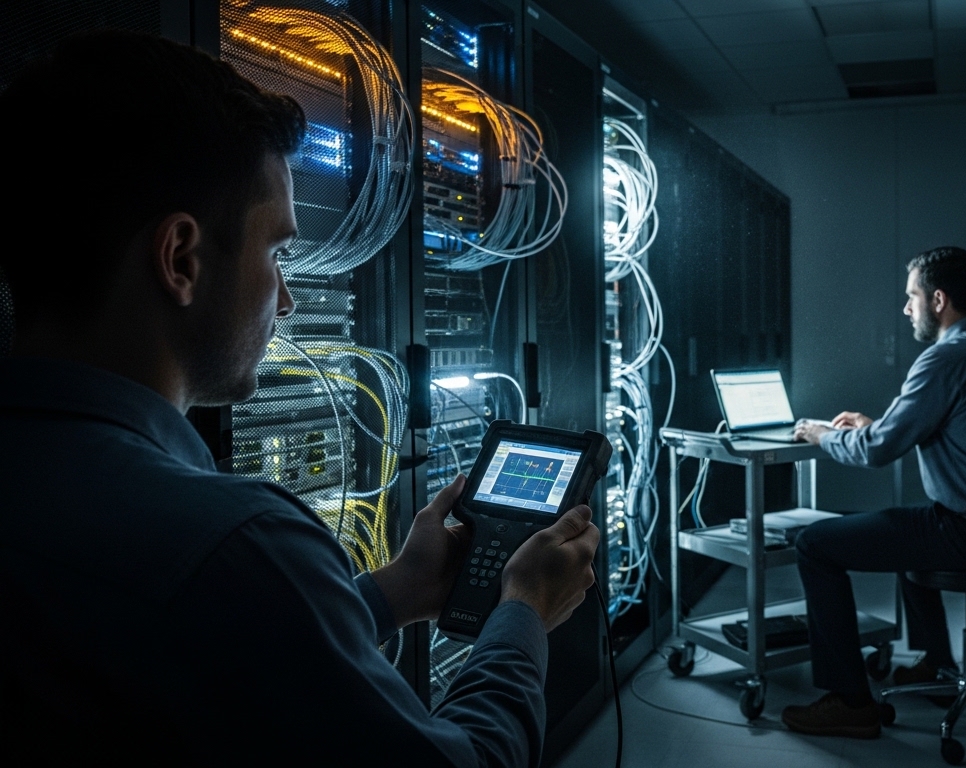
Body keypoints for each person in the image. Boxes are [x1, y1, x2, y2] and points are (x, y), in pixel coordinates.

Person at [0, 31, 597, 765]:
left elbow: (216, 650)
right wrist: (523, 614)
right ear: (181, 259)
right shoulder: (238, 544)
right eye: (277, 251)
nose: (285, 300)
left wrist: (396, 592)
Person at [782, 246, 966, 739]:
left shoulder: (944, 359)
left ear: (939, 299)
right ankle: (935, 666)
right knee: (907, 528)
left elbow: (878, 451)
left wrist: (820, 434)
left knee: (815, 545)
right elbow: (962, 430)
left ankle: (850, 700)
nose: (906, 308)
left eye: (912, 297)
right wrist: (875, 424)